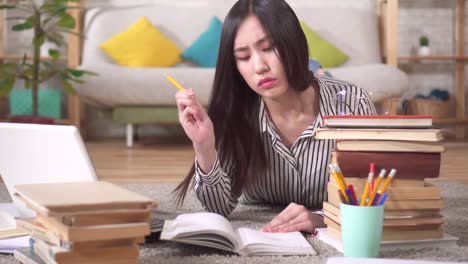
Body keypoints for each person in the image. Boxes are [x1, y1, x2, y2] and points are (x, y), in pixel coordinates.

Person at [174, 0, 376, 234]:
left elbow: (371, 192)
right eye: (243, 56)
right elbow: (218, 207)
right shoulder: (234, 113)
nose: (259, 66)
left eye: (269, 47)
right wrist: (204, 146)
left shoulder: (353, 102)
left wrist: (323, 217)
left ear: (293, 43)